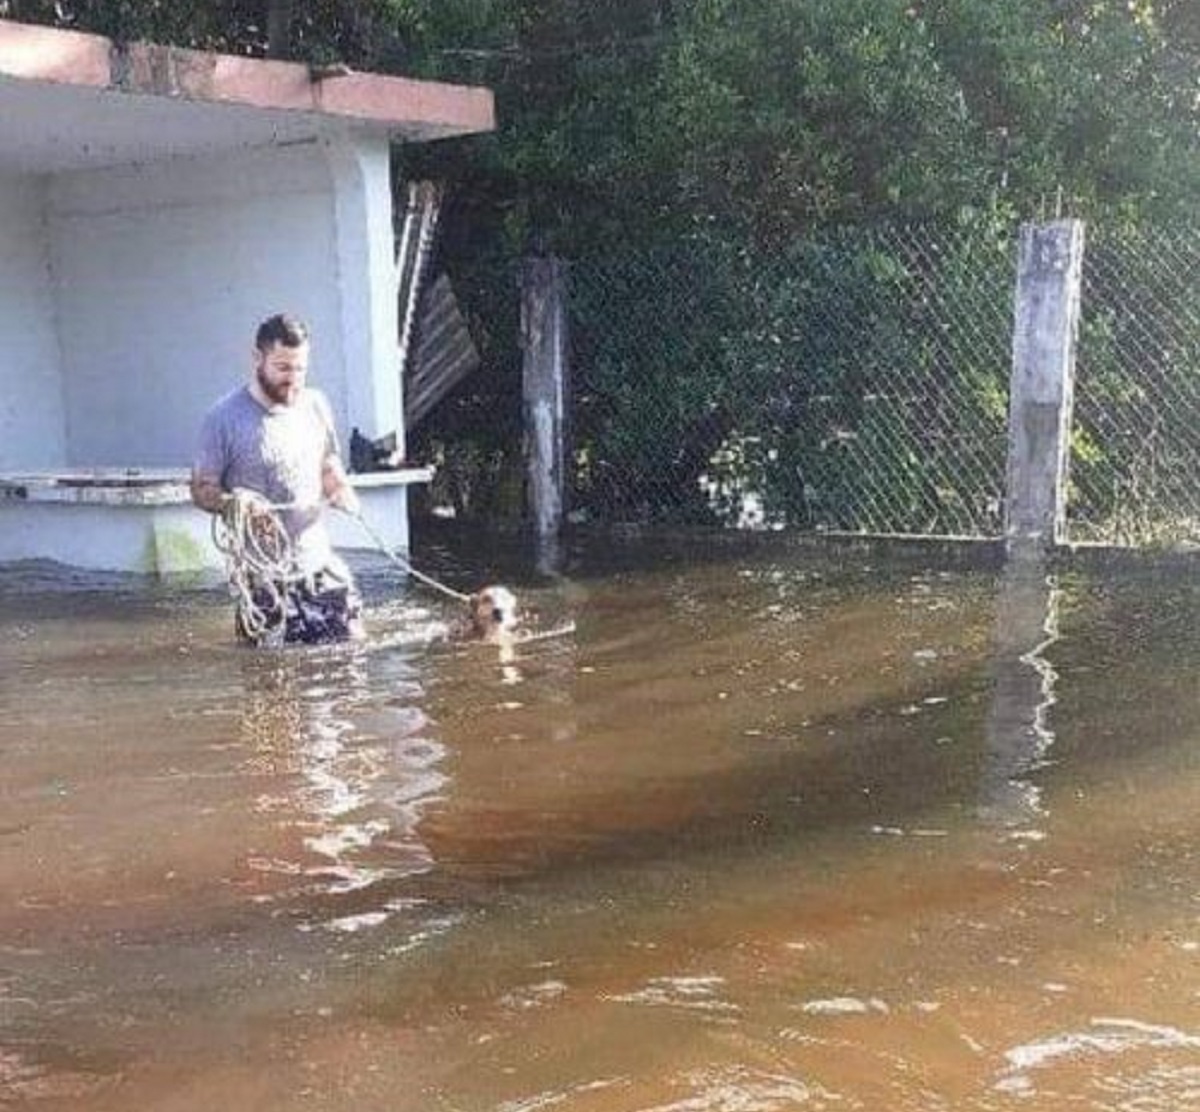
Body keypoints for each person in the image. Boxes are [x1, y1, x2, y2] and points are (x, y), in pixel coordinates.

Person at [191, 313, 365, 646]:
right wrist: (234, 503)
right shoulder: (223, 418)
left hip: (317, 563)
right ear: (258, 358)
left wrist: (341, 490)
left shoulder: (316, 405)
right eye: (283, 368)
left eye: (300, 369)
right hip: (262, 579)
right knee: (270, 683)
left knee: (351, 657)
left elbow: (329, 466)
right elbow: (201, 489)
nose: (293, 380)